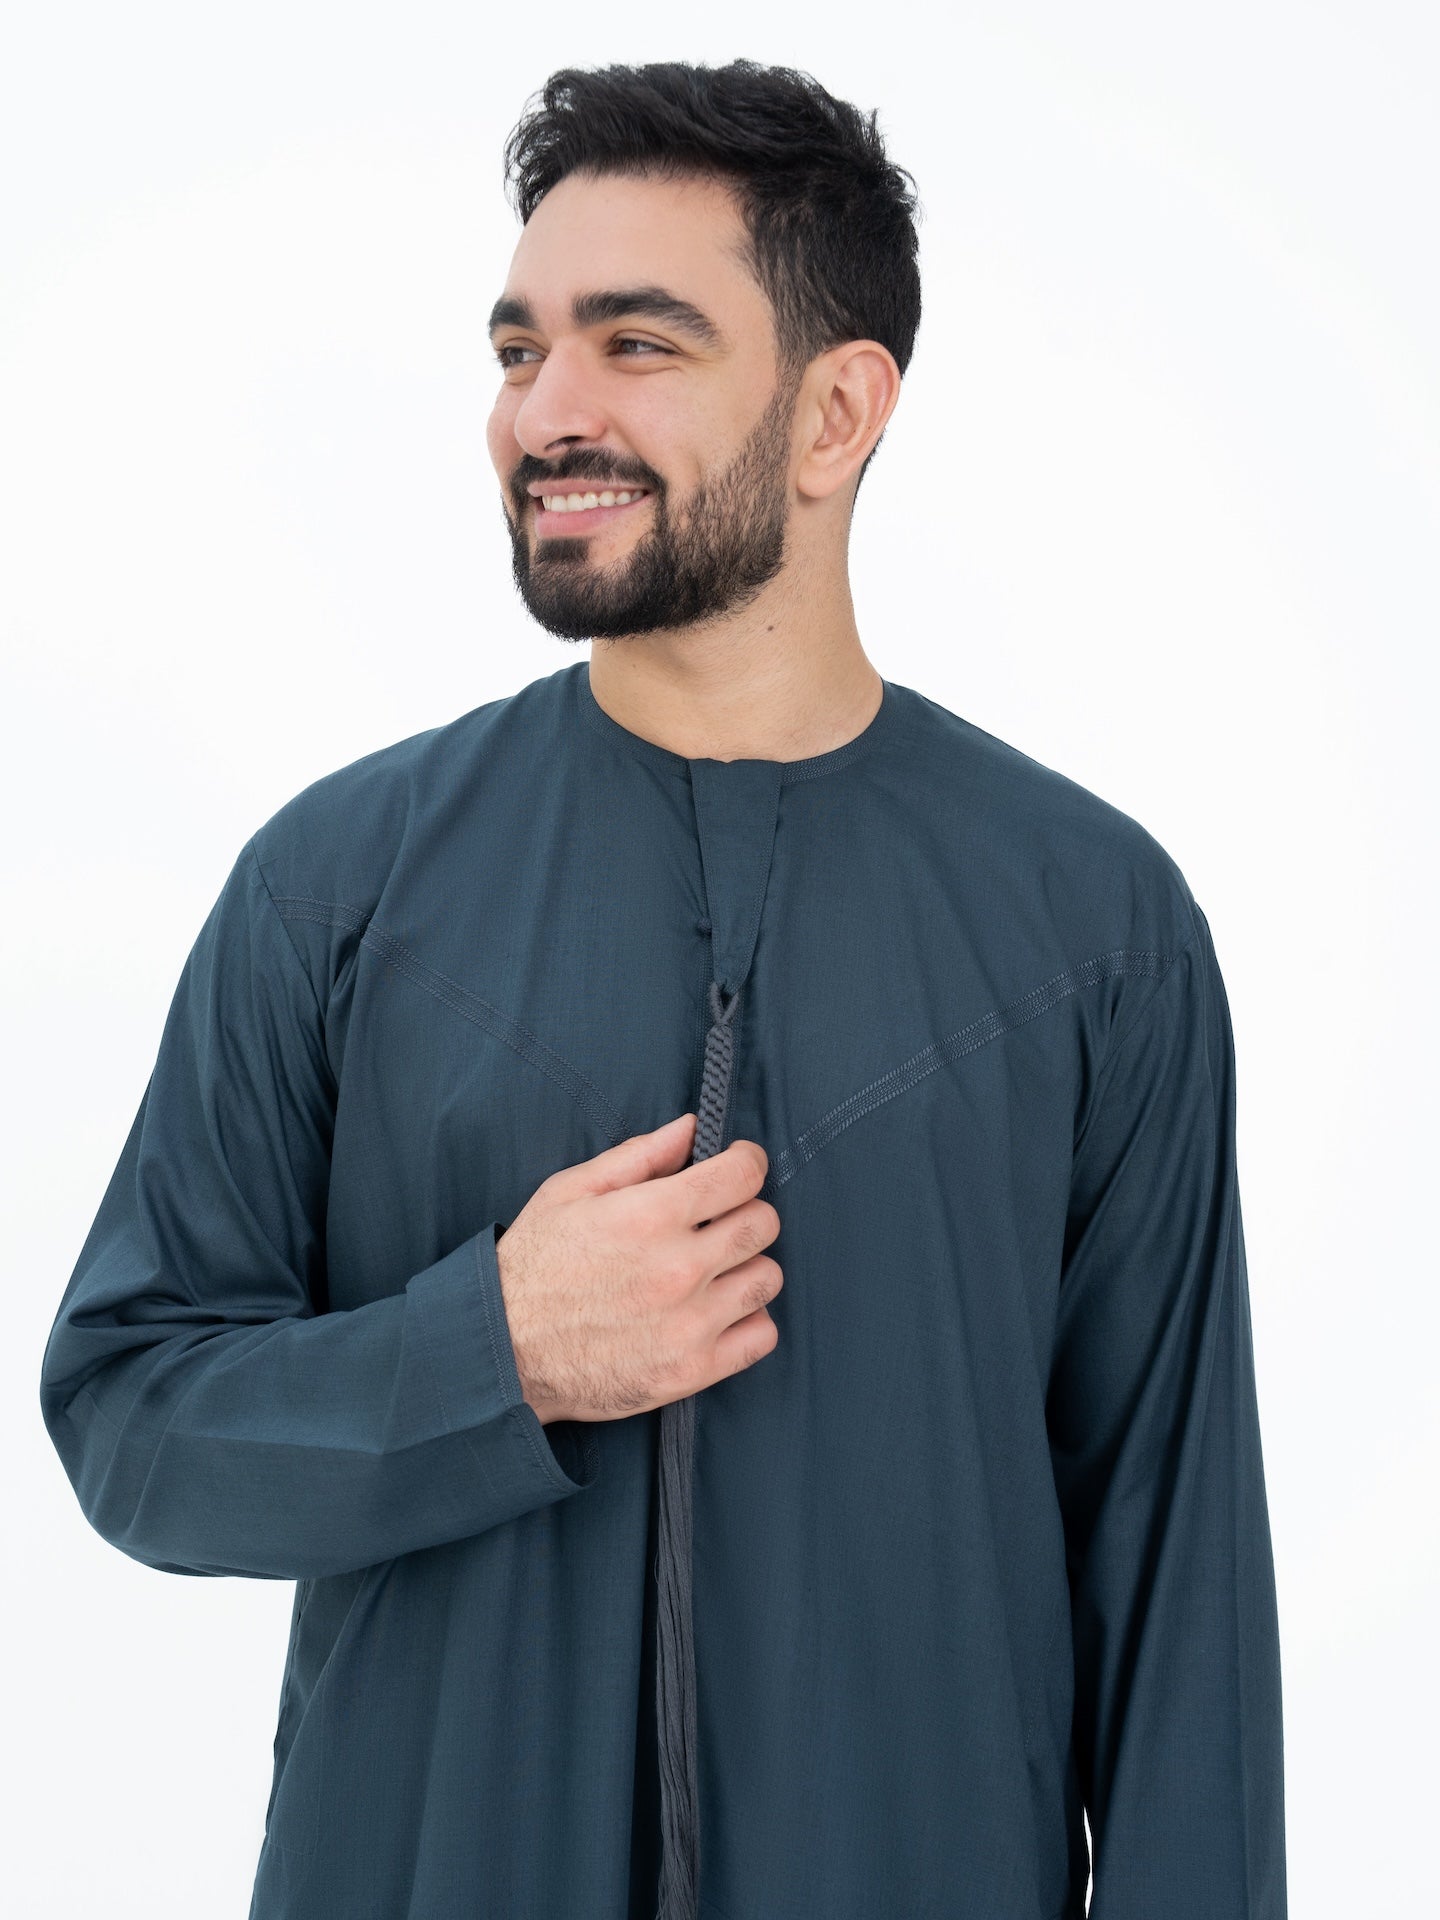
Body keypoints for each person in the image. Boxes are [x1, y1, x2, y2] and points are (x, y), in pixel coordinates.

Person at [38, 57, 1287, 1920]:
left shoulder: (1092, 928)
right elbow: (135, 1422)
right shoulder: (337, 886)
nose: (547, 410)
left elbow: (1182, 1606)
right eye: (519, 348)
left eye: (637, 344)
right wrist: (497, 1356)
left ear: (837, 411)